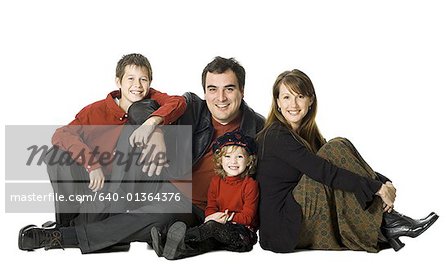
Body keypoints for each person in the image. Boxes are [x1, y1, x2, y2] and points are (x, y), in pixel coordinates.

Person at [18, 56, 265, 254]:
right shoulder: (193, 106)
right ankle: (94, 224)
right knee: (132, 136)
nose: (220, 98)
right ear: (204, 92)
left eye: (228, 89)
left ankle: (63, 236)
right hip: (160, 181)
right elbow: (140, 107)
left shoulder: (258, 129)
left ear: (242, 90)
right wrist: (155, 125)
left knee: (156, 219)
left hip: (198, 208)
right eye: (212, 89)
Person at [256, 69, 438, 253]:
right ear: (277, 102)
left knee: (336, 149)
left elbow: (342, 166)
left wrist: (384, 182)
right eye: (286, 97)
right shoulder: (275, 135)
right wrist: (378, 188)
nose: (293, 104)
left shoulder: (310, 135)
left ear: (310, 100)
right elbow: (324, 171)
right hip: (283, 228)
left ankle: (388, 224)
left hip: (301, 218)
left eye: (300, 96)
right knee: (336, 147)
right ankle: (389, 223)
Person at [18, 53, 186, 252]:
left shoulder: (152, 100)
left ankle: (76, 233)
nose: (138, 86)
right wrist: (91, 164)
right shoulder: (96, 111)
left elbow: (179, 102)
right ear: (118, 82)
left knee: (129, 135)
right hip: (96, 185)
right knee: (56, 156)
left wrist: (152, 123)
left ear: (150, 82)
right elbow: (61, 134)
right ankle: (66, 226)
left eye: (143, 79)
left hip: (129, 188)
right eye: (130, 79)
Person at [151, 130, 259, 260]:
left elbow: (248, 217)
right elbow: (211, 207)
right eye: (228, 157)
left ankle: (168, 239)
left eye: (239, 157)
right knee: (205, 242)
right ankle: (171, 250)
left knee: (211, 227)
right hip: (218, 227)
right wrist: (211, 216)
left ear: (248, 161)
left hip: (241, 234)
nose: (233, 162)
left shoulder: (250, 184)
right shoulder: (216, 181)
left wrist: (226, 218)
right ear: (220, 160)